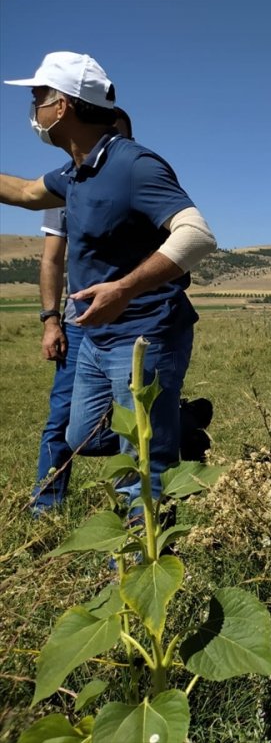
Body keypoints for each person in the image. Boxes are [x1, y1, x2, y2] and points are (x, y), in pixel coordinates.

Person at [2, 52, 217, 510]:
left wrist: (124, 289)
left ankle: (143, 543)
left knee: (144, 463)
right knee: (81, 435)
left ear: (63, 106)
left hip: (144, 334)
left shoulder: (133, 165)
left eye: (39, 97)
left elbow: (197, 235)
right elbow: (23, 192)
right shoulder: (76, 173)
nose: (34, 109)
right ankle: (176, 423)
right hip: (96, 338)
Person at [31, 107, 133, 513]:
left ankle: (136, 517)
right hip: (79, 325)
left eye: (119, 137)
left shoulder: (135, 180)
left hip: (132, 326)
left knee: (134, 419)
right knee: (64, 420)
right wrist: (51, 320)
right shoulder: (65, 186)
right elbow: (51, 259)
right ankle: (46, 504)